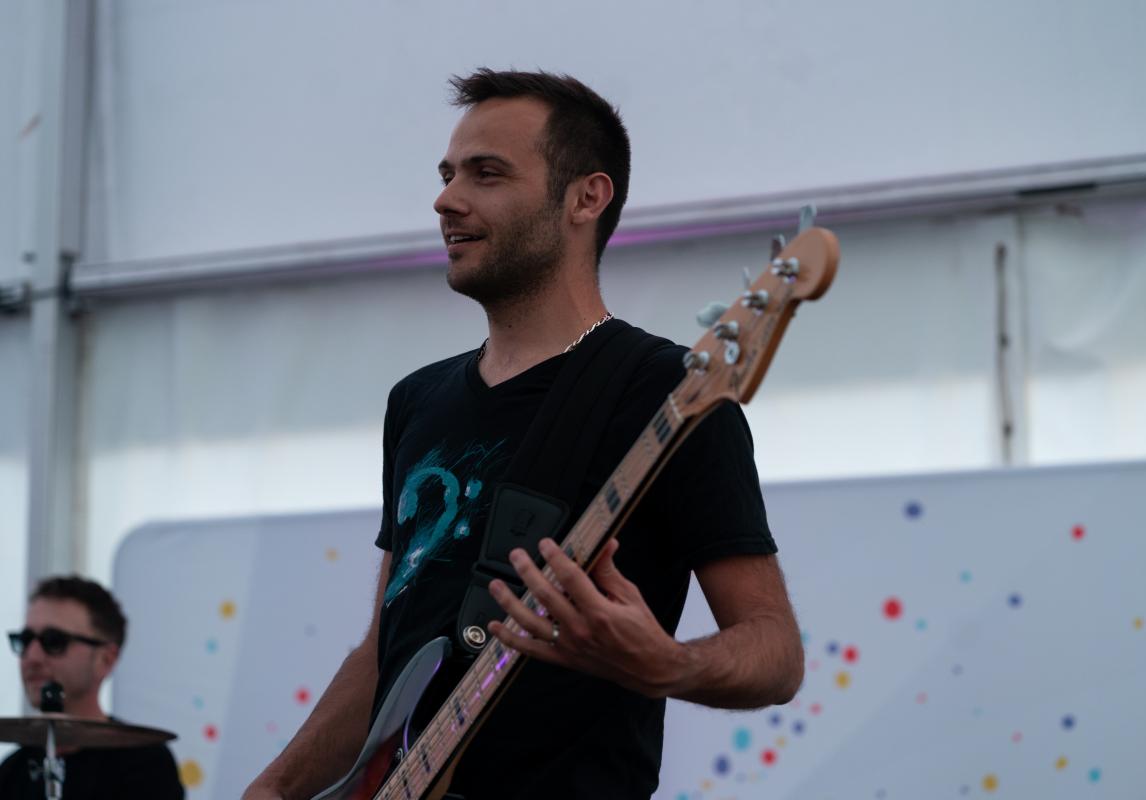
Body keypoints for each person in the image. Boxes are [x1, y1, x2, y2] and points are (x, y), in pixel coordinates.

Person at [244, 69, 804, 800]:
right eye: (447, 174)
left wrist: (669, 665)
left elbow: (774, 650)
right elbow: (386, 650)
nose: (446, 199)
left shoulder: (668, 392)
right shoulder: (416, 401)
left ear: (586, 198)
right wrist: (275, 787)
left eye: (487, 173)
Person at [0, 575, 184, 799]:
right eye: (25, 640)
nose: (32, 657)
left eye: (54, 641)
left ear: (106, 659)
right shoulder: (10, 772)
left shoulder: (145, 765)